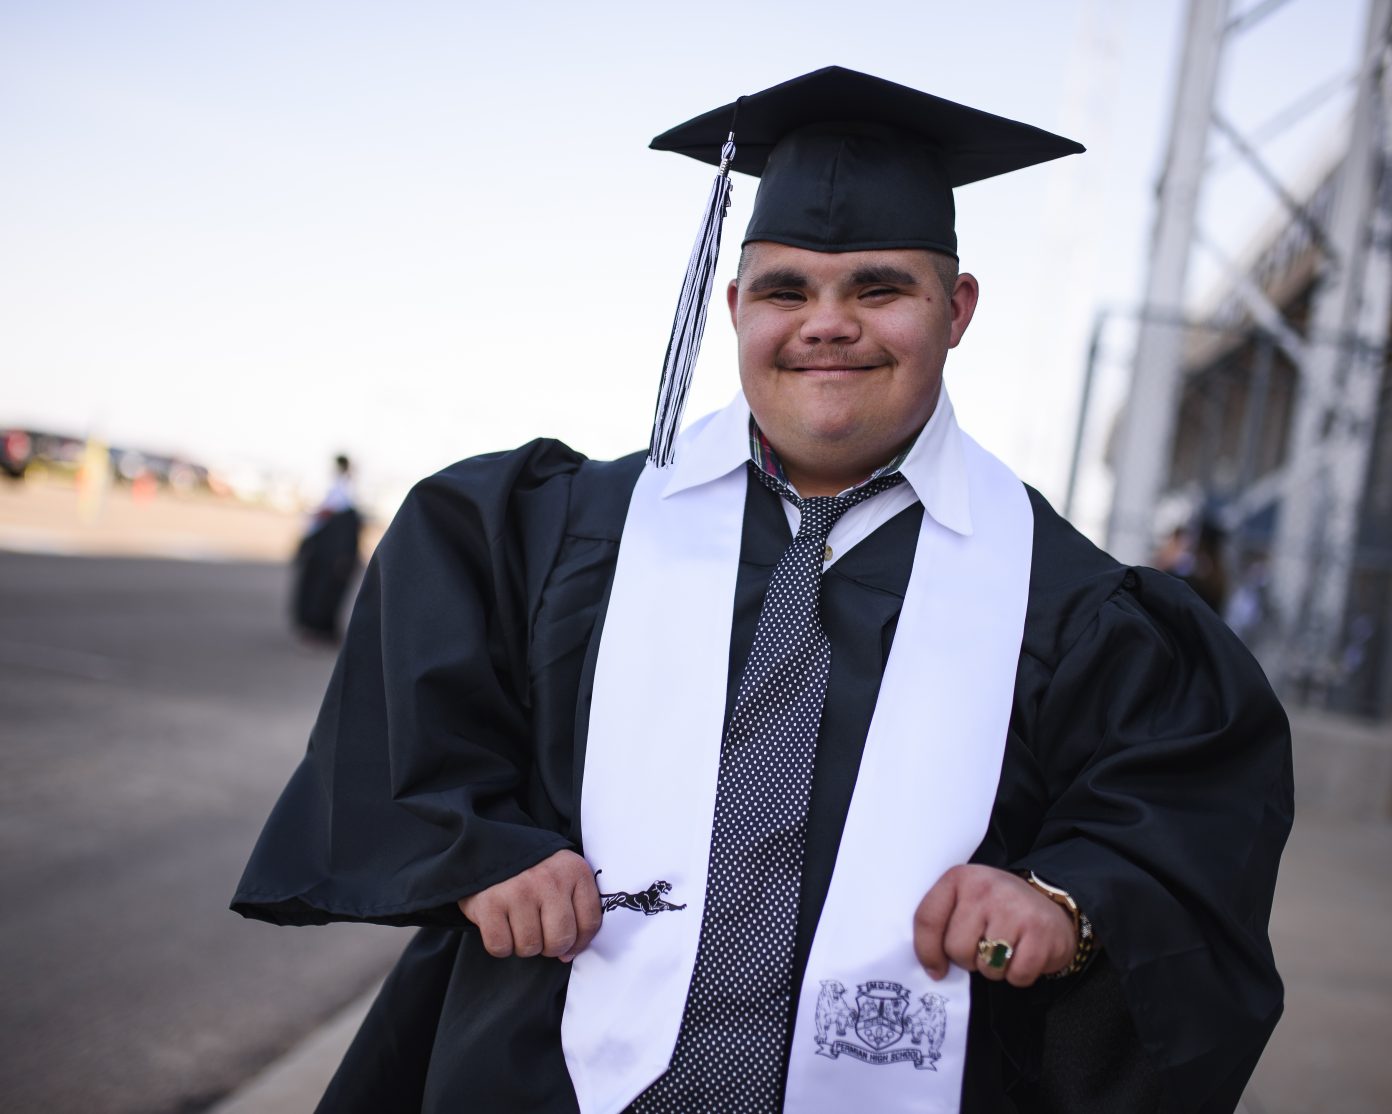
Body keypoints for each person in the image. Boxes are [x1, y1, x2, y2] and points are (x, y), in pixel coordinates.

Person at [233, 67, 1291, 1113]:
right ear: (735, 306)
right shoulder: (555, 534)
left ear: (957, 309)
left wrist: (1069, 901)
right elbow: (415, 727)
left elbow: (1183, 822)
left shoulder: (1071, 605)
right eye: (787, 289)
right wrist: (480, 851)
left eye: (879, 288)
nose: (826, 322)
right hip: (539, 1078)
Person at [290, 453, 362, 644]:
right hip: (325, 554)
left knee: (325, 593)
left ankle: (319, 630)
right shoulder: (333, 491)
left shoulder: (345, 495)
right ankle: (314, 629)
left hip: (332, 556)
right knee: (318, 592)